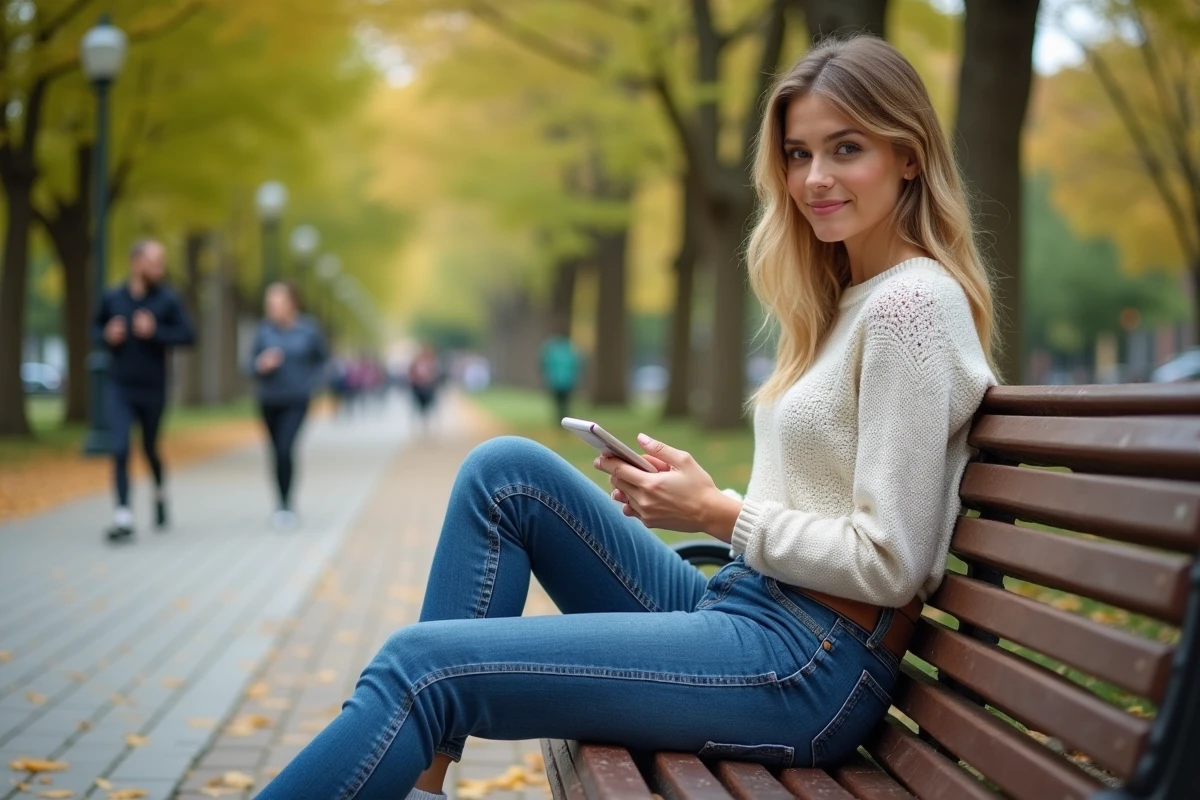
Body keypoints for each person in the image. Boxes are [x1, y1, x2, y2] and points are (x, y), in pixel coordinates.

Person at [256, 35, 996, 799]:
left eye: (846, 148)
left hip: (807, 663)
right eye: (798, 153)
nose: (815, 178)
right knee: (503, 474)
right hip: (750, 608)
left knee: (421, 664)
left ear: (909, 155)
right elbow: (822, 493)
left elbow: (893, 559)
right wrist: (705, 496)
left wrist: (719, 514)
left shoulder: (912, 306)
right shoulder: (844, 300)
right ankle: (425, 782)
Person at [92, 239, 195, 543]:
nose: (159, 269)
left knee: (150, 448)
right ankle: (123, 517)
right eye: (153, 262)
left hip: (153, 388)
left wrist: (156, 332)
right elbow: (94, 329)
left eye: (161, 263)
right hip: (119, 385)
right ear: (135, 262)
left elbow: (189, 335)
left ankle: (160, 493)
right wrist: (107, 334)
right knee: (120, 448)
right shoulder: (113, 297)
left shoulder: (167, 300)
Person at [252, 282, 328, 531]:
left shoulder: (308, 330)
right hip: (269, 400)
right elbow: (248, 363)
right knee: (276, 452)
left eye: (278, 303)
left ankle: (286, 506)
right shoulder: (263, 331)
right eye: (270, 304)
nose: (273, 308)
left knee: (285, 449)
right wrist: (260, 364)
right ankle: (280, 502)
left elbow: (323, 360)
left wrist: (310, 382)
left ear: (293, 304)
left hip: (297, 400)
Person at [540, 333, 581, 422]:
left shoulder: (552, 350)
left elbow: (545, 364)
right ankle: (564, 419)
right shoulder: (571, 350)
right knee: (566, 402)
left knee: (558, 402)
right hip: (567, 381)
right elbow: (577, 365)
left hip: (556, 381)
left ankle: (560, 419)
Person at [408, 344, 441, 432]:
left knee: (429, 407)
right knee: (418, 407)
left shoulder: (431, 362)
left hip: (428, 388)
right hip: (418, 387)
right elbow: (411, 374)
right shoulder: (415, 363)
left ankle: (427, 424)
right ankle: (419, 424)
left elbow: (435, 375)